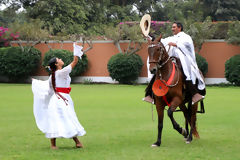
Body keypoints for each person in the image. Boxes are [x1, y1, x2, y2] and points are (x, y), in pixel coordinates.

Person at [32, 43, 86, 149]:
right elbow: (75, 61)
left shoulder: (56, 74)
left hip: (64, 98)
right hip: (60, 99)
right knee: (63, 118)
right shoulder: (60, 73)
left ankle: (74, 142)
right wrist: (76, 49)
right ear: (57, 64)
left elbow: (50, 90)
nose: (61, 59)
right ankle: (70, 143)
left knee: (65, 118)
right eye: (59, 59)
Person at [143, 22, 205, 104]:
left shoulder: (186, 37)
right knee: (158, 71)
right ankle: (150, 94)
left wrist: (176, 44)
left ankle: (194, 94)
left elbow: (188, 45)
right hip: (171, 59)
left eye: (174, 27)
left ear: (179, 28)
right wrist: (149, 36)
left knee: (185, 71)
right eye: (172, 27)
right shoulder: (172, 37)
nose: (172, 29)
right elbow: (162, 41)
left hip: (183, 59)